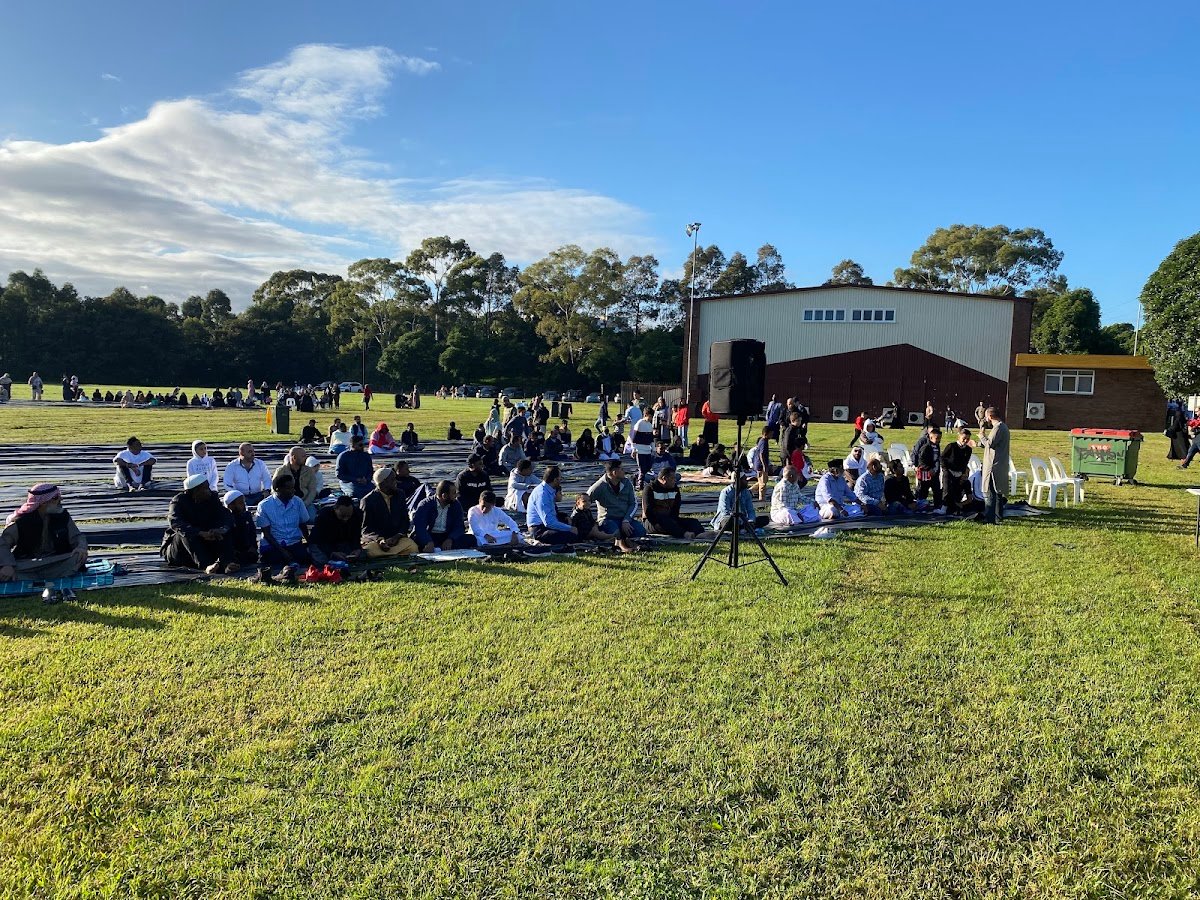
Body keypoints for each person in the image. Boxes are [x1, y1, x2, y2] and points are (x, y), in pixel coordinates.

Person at [0, 484, 88, 600]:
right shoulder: (21, 522)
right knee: (7, 569)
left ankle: (30, 576)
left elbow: (77, 536)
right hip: (28, 564)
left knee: (77, 557)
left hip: (55, 561)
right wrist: (7, 565)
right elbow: (2, 544)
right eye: (55, 498)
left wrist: (81, 547)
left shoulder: (62, 516)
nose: (60, 500)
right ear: (43, 502)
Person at [160, 473, 239, 574]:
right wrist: (200, 533)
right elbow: (176, 523)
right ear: (195, 491)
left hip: (206, 543)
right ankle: (205, 566)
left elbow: (226, 516)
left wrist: (220, 529)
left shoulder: (212, 499)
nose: (209, 491)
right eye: (205, 488)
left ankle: (227, 563)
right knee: (185, 533)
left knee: (225, 531)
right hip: (181, 552)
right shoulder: (178, 502)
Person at [360, 468, 419, 559]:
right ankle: (395, 554)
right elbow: (365, 529)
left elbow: (405, 520)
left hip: (396, 540)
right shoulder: (368, 500)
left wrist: (397, 536)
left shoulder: (400, 494)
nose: (396, 482)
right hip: (377, 541)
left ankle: (388, 555)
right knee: (370, 550)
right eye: (393, 479)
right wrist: (380, 540)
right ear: (384, 482)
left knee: (413, 547)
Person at [254, 473, 312, 567]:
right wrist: (283, 551)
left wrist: (310, 544)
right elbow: (267, 534)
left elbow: (302, 524)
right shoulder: (264, 506)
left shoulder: (298, 502)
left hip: (293, 543)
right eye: (288, 488)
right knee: (276, 561)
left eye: (293, 487)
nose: (293, 490)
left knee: (305, 558)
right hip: (274, 545)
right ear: (278, 489)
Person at [587, 460, 645, 542]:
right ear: (614, 472)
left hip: (624, 518)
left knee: (640, 531)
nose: (624, 471)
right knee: (615, 534)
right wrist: (592, 524)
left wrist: (626, 520)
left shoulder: (627, 483)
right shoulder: (599, 486)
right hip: (607, 519)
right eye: (621, 469)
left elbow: (633, 504)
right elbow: (584, 500)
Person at [641, 468, 706, 538]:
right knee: (666, 523)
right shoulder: (650, 489)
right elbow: (648, 511)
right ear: (664, 478)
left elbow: (676, 509)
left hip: (670, 519)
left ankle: (700, 534)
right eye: (672, 478)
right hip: (653, 522)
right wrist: (659, 522)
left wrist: (673, 520)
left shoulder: (674, 489)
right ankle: (684, 534)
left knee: (693, 522)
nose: (675, 480)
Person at [412, 481, 473, 552]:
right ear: (444, 496)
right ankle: (436, 548)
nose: (456, 495)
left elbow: (459, 526)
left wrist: (450, 539)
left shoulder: (456, 505)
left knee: (471, 539)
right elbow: (420, 527)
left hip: (446, 536)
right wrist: (428, 541)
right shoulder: (425, 504)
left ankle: (439, 549)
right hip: (429, 535)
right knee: (417, 542)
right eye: (453, 493)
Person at [526, 466, 578, 545]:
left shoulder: (549, 490)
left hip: (548, 524)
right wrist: (570, 528)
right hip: (539, 529)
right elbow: (548, 522)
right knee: (571, 536)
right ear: (555, 480)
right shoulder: (542, 494)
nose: (561, 480)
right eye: (560, 478)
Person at [978, 406, 1010, 525]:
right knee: (997, 492)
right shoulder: (1003, 427)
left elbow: (990, 443)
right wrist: (978, 444)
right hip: (1000, 463)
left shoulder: (998, 428)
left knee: (990, 492)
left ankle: (990, 519)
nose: (985, 419)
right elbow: (994, 444)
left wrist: (981, 435)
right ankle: (998, 516)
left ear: (990, 416)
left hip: (993, 465)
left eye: (986, 416)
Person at [274, 446, 319, 515]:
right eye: (303, 456)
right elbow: (274, 489)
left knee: (311, 518)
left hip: (305, 502)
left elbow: (312, 490)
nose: (306, 458)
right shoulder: (281, 471)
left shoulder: (309, 471)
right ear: (294, 458)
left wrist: (305, 504)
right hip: (285, 503)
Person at [941, 428, 974, 515]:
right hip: (949, 471)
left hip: (959, 473)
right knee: (947, 489)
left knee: (956, 491)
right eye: (964, 438)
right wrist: (945, 469)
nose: (965, 440)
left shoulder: (968, 449)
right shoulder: (951, 446)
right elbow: (942, 458)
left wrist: (963, 473)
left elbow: (966, 462)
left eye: (968, 439)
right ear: (959, 437)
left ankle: (954, 507)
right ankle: (943, 507)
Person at [221, 490, 259, 565]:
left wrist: (253, 547)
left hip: (248, 550)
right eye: (241, 503)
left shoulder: (247, 515)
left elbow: (252, 533)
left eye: (244, 502)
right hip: (234, 552)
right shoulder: (226, 518)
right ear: (231, 505)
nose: (244, 505)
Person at [334, 433, 374, 500]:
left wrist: (367, 479)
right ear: (353, 445)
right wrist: (355, 479)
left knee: (375, 492)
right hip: (349, 483)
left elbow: (370, 470)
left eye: (363, 444)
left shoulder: (366, 456)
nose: (363, 447)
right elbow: (339, 474)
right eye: (360, 445)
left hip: (365, 482)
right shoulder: (343, 456)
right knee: (356, 493)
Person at [915, 426, 945, 512]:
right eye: (937, 438)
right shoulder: (926, 447)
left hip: (935, 473)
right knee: (924, 490)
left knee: (937, 490)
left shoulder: (937, 446)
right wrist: (929, 469)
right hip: (926, 473)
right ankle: (921, 507)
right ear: (931, 437)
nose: (939, 440)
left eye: (940, 438)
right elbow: (921, 460)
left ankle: (937, 507)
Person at [747, 426, 773, 500]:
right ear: (766, 433)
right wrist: (764, 465)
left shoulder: (764, 441)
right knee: (763, 483)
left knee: (762, 481)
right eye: (771, 433)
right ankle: (761, 498)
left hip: (760, 464)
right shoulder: (763, 442)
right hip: (761, 465)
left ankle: (750, 490)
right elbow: (761, 454)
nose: (772, 435)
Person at [630, 413, 655, 489]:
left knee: (648, 467)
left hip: (647, 450)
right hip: (639, 450)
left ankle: (636, 476)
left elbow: (651, 439)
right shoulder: (639, 423)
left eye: (652, 417)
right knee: (642, 468)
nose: (650, 418)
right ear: (646, 415)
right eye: (650, 416)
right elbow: (633, 437)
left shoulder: (649, 425)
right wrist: (634, 449)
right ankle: (640, 485)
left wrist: (653, 449)